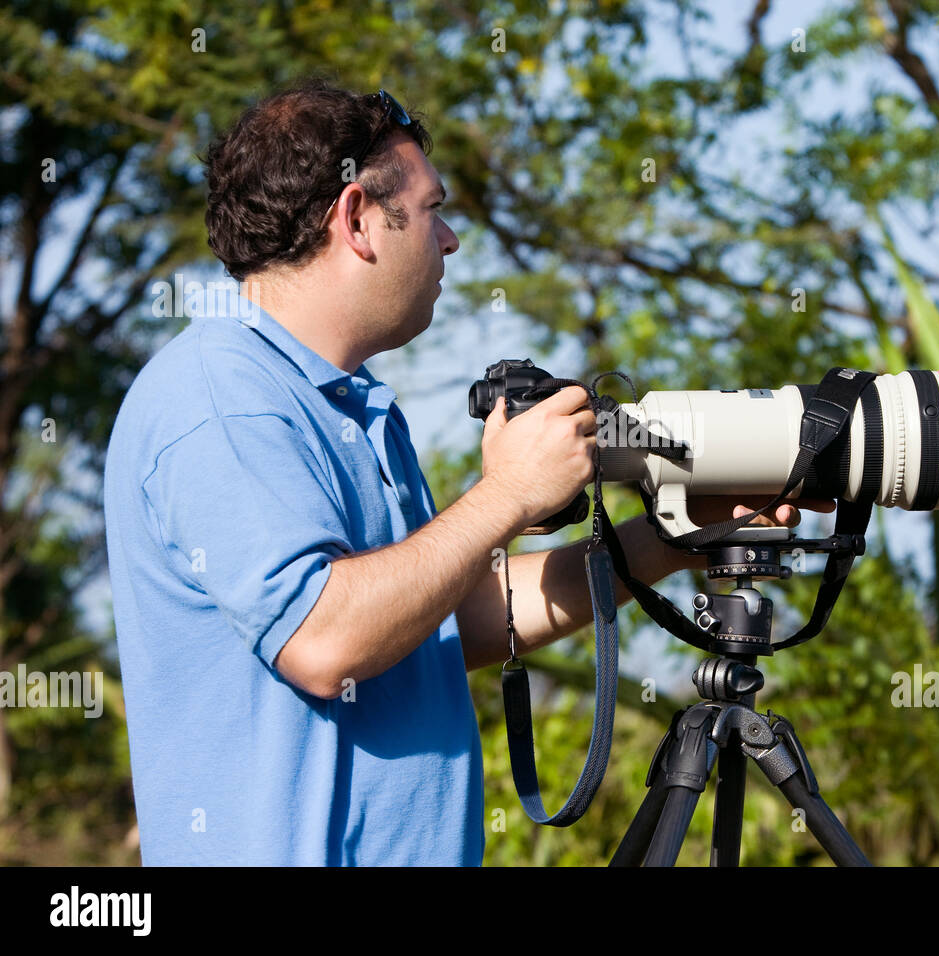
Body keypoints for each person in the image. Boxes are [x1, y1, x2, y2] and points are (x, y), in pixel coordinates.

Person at [103, 81, 826, 866]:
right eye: (432, 209)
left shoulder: (353, 405)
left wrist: (671, 539)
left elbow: (436, 620)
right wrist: (507, 495)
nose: (449, 241)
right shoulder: (220, 400)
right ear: (356, 218)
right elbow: (324, 639)